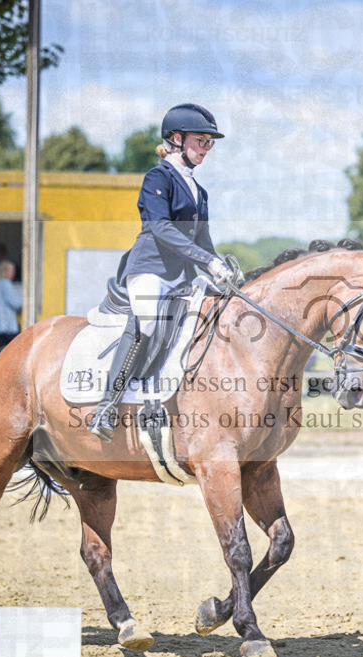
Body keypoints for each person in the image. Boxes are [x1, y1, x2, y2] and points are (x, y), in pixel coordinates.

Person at [88, 103, 235, 441]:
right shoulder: (159, 177)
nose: (206, 148)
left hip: (182, 274)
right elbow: (161, 228)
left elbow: (203, 241)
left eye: (209, 142)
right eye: (201, 140)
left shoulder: (200, 191)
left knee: (214, 312)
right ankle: (107, 407)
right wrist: (206, 260)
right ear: (176, 139)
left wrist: (221, 268)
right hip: (150, 268)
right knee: (148, 321)